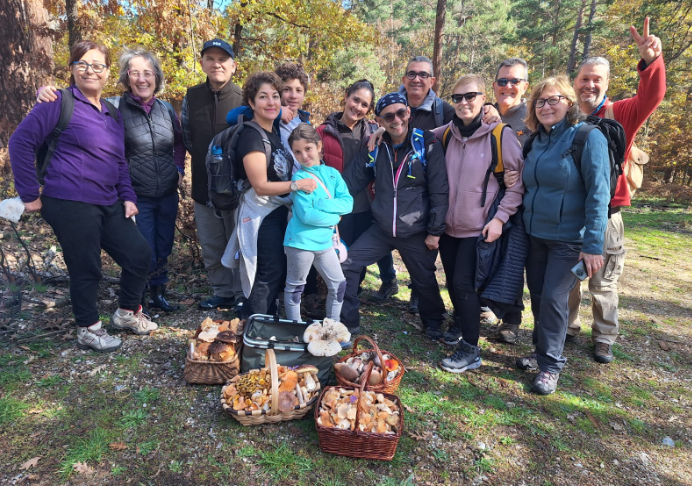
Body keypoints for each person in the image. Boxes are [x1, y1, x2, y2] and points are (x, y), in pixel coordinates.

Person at [9, 40, 157, 352]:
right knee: (86, 266)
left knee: (140, 255)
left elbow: (119, 161)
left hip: (108, 201)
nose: (90, 70)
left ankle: (127, 314)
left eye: (97, 65)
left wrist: (127, 196)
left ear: (107, 74)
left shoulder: (111, 113)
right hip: (69, 201)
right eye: (83, 64)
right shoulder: (57, 103)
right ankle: (88, 328)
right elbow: (20, 143)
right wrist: (28, 194)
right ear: (73, 69)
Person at [37, 48, 185, 313]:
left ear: (156, 77)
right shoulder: (114, 107)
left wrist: (178, 169)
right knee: (143, 248)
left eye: (148, 73)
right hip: (133, 194)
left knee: (163, 244)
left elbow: (179, 142)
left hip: (166, 190)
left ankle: (159, 294)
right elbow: (84, 110)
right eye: (135, 72)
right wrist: (45, 94)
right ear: (126, 78)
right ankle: (136, 301)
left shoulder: (166, 109)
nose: (142, 79)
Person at [566, 17, 667, 363]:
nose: (589, 85)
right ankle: (568, 328)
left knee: (603, 282)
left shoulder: (619, 112)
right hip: (568, 215)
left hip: (606, 216)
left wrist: (651, 63)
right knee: (567, 279)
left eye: (597, 79)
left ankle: (604, 337)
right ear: (575, 83)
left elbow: (652, 96)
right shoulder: (564, 117)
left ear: (606, 83)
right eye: (584, 79)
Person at [518, 76, 610, 394]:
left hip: (570, 239)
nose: (546, 106)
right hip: (535, 235)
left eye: (553, 99)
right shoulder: (534, 141)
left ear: (569, 102)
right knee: (540, 299)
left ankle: (550, 366)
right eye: (540, 101)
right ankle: (540, 350)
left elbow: (599, 194)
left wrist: (593, 245)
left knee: (556, 300)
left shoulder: (587, 137)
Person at [433, 75, 524, 372]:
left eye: (470, 96)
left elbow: (517, 183)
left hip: (479, 228)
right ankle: (462, 327)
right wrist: (380, 130)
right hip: (448, 228)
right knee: (455, 285)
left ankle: (471, 349)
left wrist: (499, 219)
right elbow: (411, 136)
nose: (463, 103)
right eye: (457, 98)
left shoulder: (500, 135)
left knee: (464, 286)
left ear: (483, 98)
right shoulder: (445, 134)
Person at [340, 92, 448, 337]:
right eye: (389, 116)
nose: (396, 120)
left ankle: (433, 322)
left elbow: (440, 190)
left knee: (424, 280)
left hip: (416, 231)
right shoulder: (375, 146)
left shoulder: (426, 143)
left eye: (401, 113)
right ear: (380, 120)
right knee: (347, 264)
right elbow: (352, 180)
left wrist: (434, 231)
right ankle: (349, 322)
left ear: (408, 113)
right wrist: (327, 202)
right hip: (381, 229)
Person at [221, 72, 317, 318]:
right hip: (259, 214)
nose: (271, 102)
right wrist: (297, 186)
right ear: (251, 103)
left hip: (273, 213)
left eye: (275, 96)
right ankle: (254, 330)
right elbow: (261, 185)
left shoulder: (271, 131)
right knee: (267, 272)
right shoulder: (253, 136)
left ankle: (264, 325)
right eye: (263, 97)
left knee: (274, 270)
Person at [316, 80, 397, 303]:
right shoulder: (324, 131)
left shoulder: (371, 132)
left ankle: (351, 294)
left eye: (364, 104)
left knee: (356, 257)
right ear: (346, 96)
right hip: (335, 207)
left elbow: (396, 131)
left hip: (363, 206)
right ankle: (328, 296)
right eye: (355, 100)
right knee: (333, 254)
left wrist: (381, 128)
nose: (358, 107)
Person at [181, 39, 244, 311]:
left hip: (236, 189)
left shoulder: (244, 99)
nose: (216, 63)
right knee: (211, 244)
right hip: (203, 186)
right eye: (210, 58)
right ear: (203, 63)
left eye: (222, 59)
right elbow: (186, 136)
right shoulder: (192, 96)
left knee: (239, 243)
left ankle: (243, 293)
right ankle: (222, 291)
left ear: (233, 65)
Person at [283, 124, 353, 321]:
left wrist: (320, 203)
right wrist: (335, 217)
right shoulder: (300, 177)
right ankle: (294, 332)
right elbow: (307, 216)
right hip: (300, 243)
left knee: (338, 285)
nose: (304, 155)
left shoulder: (333, 174)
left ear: (319, 146)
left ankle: (333, 329)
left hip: (324, 244)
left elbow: (348, 204)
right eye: (297, 152)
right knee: (296, 288)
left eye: (308, 149)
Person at [491, 58, 531, 344]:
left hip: (525, 202)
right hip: (489, 199)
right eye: (503, 81)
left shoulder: (534, 116)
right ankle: (489, 306)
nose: (508, 86)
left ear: (525, 86)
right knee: (492, 257)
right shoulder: (484, 113)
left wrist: (520, 174)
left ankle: (512, 319)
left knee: (514, 260)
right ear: (494, 85)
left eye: (515, 81)